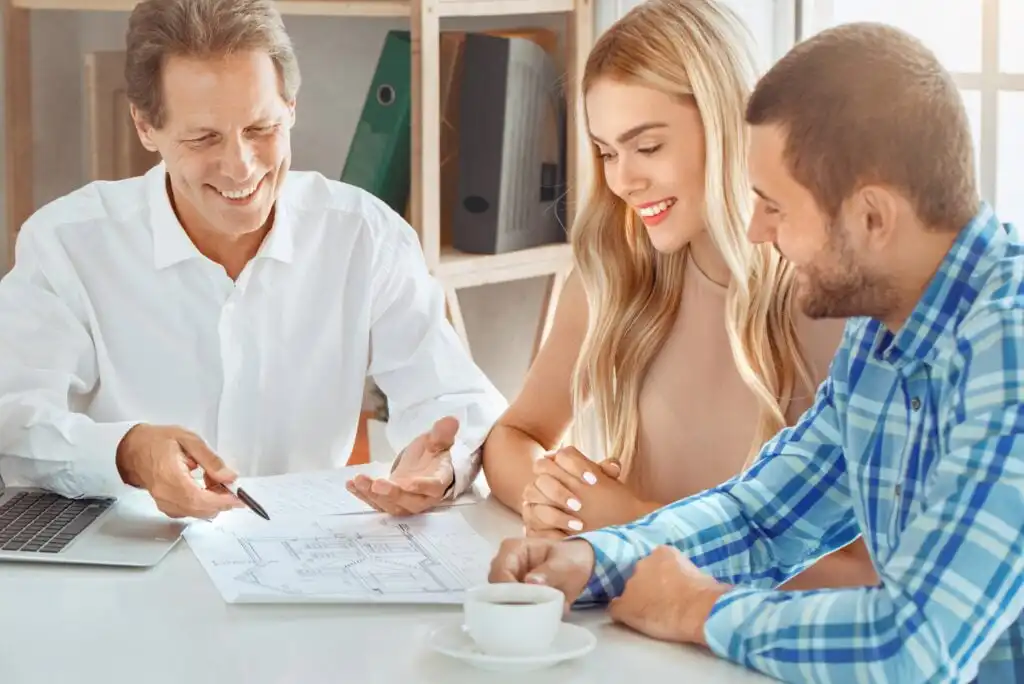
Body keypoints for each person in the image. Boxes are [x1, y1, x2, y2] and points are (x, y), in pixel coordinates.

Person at [488, 19, 1024, 684]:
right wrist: (597, 560)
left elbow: (913, 647)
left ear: (872, 218)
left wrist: (700, 610)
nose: (754, 229)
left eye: (774, 206)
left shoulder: (1011, 353)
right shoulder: (884, 327)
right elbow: (763, 516)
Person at [0, 0, 507, 520]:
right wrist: (127, 453)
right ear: (145, 126)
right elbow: (13, 420)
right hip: (128, 559)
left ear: (290, 105)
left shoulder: (363, 235)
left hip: (306, 558)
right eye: (203, 138)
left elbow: (456, 400)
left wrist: (440, 469)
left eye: (260, 129)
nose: (241, 167)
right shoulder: (68, 243)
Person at [472, 0, 872, 589]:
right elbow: (514, 437)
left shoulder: (830, 304)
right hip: (638, 629)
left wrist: (633, 525)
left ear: (729, 124)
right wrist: (551, 492)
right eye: (607, 151)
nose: (622, 179)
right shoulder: (615, 274)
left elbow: (862, 577)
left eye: (648, 147)